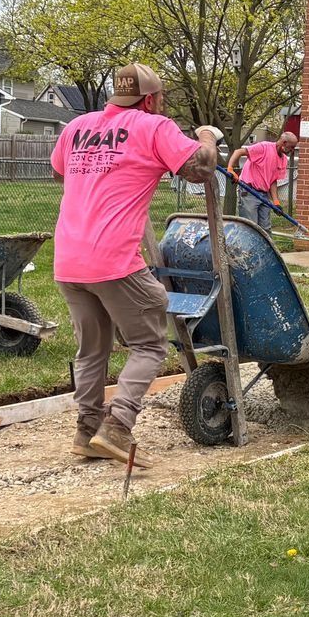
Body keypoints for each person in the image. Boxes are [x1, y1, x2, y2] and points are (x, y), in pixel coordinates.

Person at [52, 63, 218, 468]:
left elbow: (60, 173)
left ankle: (86, 431)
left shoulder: (77, 127)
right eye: (160, 98)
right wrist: (206, 136)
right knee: (150, 343)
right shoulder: (154, 126)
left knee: (91, 350)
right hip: (114, 260)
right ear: (150, 99)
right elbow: (202, 167)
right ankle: (118, 425)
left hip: (68, 259)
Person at [229, 128, 299, 230]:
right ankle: (247, 246)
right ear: (284, 142)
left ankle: (265, 246)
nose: (293, 150)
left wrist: (276, 202)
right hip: (249, 191)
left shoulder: (283, 160)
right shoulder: (263, 147)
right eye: (292, 147)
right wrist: (230, 169)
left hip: (264, 195)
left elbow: (273, 181)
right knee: (251, 227)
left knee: (265, 228)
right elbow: (238, 152)